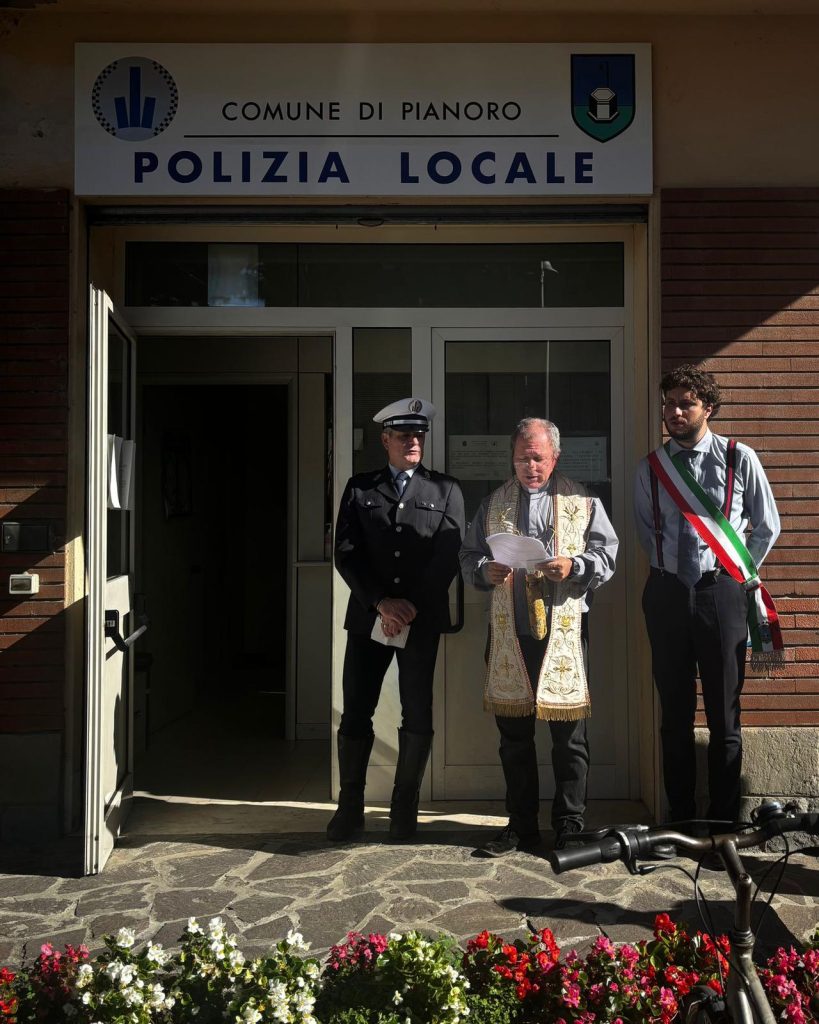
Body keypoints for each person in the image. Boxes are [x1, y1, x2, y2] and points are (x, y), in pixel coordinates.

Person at [460, 417, 618, 855]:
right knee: (514, 738)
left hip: (564, 633)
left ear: (555, 457)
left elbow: (607, 555)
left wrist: (575, 566)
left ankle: (569, 825)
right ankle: (521, 826)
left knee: (570, 739)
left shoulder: (582, 500)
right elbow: (469, 555)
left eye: (538, 458)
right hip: (510, 633)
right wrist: (484, 571)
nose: (530, 467)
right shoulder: (493, 504)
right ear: (511, 458)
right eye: (522, 458)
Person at [634, 364, 781, 832]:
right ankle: (680, 822)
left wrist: (738, 571)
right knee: (674, 714)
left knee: (724, 715)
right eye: (669, 404)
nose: (674, 412)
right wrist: (672, 572)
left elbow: (767, 526)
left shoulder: (739, 457)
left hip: (722, 593)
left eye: (686, 404)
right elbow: (646, 531)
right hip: (666, 593)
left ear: (708, 408)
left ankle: (722, 826)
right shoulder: (651, 467)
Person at [328, 397, 465, 843]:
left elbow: (447, 557)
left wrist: (409, 608)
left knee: (417, 711)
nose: (413, 442)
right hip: (369, 617)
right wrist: (382, 603)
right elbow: (346, 553)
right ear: (385, 439)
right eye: (404, 435)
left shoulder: (445, 490)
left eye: (419, 435)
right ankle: (350, 807)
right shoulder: (360, 488)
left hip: (420, 620)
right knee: (356, 710)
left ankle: (404, 809)